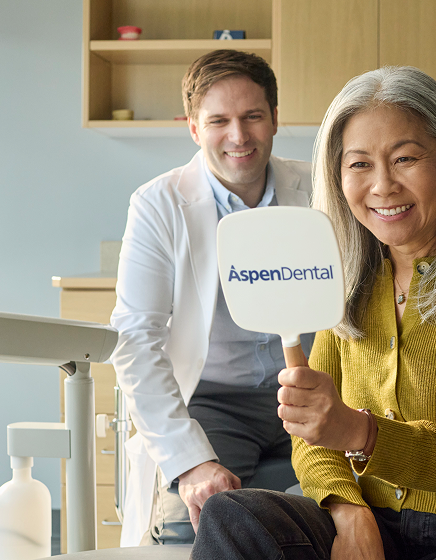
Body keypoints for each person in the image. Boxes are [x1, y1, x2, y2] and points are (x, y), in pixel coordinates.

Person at [190, 65, 436, 560]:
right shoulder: (350, 286)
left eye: (406, 158)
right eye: (359, 164)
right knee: (231, 516)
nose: (383, 185)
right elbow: (312, 435)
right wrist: (348, 511)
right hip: (378, 524)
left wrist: (357, 430)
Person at [110, 49, 314, 547]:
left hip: (314, 385)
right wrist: (194, 461)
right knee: (189, 525)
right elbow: (136, 339)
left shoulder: (318, 188)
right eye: (219, 120)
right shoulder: (158, 204)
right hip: (214, 401)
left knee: (352, 514)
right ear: (195, 129)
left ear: (274, 120)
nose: (239, 136)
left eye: (252, 117)